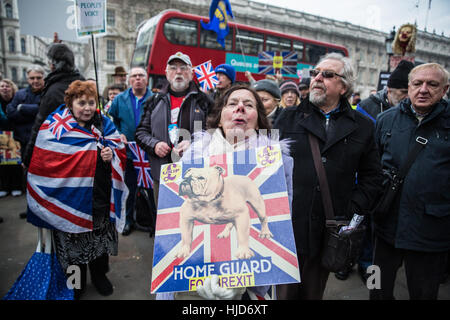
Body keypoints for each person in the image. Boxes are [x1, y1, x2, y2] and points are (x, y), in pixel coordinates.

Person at [158, 85, 293, 300]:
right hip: (191, 285)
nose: (240, 108)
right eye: (232, 103)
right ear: (219, 118)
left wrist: (243, 282)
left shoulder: (277, 165)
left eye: (249, 105)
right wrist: (195, 276)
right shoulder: (191, 159)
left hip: (250, 284)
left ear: (258, 119)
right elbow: (173, 223)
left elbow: (280, 226)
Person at [273, 52, 382, 300]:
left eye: (327, 74)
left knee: (313, 293)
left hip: (329, 230)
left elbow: (372, 177)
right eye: (315, 73)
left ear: (344, 87)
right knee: (283, 294)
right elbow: (262, 162)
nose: (318, 78)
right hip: (287, 228)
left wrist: (350, 209)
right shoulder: (288, 117)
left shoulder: (363, 126)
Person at [26, 80, 127, 299]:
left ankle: (100, 277)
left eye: (91, 102)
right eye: (81, 103)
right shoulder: (55, 126)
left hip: (98, 196)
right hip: (69, 200)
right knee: (73, 248)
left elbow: (119, 148)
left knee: (99, 243)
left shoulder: (105, 124)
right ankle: (76, 282)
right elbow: (46, 159)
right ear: (70, 103)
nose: (88, 107)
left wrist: (110, 155)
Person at [371, 63, 450, 300]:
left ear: (445, 89)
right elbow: (371, 169)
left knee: (424, 293)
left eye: (432, 84)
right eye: (417, 83)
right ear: (409, 87)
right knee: (376, 288)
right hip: (386, 227)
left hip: (431, 231)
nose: (423, 89)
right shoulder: (386, 120)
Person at [339, 59, 414, 283]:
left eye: (406, 92)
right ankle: (343, 261)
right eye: (402, 92)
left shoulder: (408, 111)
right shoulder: (368, 106)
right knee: (353, 224)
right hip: (360, 178)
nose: (406, 97)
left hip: (386, 183)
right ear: (389, 89)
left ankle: (365, 265)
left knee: (373, 230)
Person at [135, 51, 213, 208]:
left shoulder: (204, 101)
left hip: (196, 175)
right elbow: (141, 132)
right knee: (165, 220)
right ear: (166, 73)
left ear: (191, 73)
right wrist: (154, 145)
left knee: (195, 220)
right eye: (173, 68)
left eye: (183, 68)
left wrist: (194, 144)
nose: (178, 72)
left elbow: (214, 132)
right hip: (163, 173)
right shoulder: (154, 100)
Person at [23, 43, 84, 167]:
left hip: (60, 150)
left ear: (53, 65)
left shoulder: (53, 91)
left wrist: (28, 157)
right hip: (82, 149)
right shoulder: (83, 83)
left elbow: (40, 125)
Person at [109, 67, 152, 236]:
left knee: (150, 189)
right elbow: (113, 122)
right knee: (129, 189)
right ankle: (127, 221)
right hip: (127, 153)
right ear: (129, 80)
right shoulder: (119, 99)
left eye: (141, 75)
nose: (138, 78)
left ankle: (152, 220)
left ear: (146, 79)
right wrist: (118, 133)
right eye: (134, 76)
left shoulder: (155, 99)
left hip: (149, 153)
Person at [0, 79, 22, 198]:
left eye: (7, 86)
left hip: (14, 135)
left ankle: (16, 186)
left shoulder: (16, 100)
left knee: (15, 163)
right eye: (2, 86)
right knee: (2, 164)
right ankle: (4, 187)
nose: (4, 88)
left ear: (12, 88)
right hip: (0, 135)